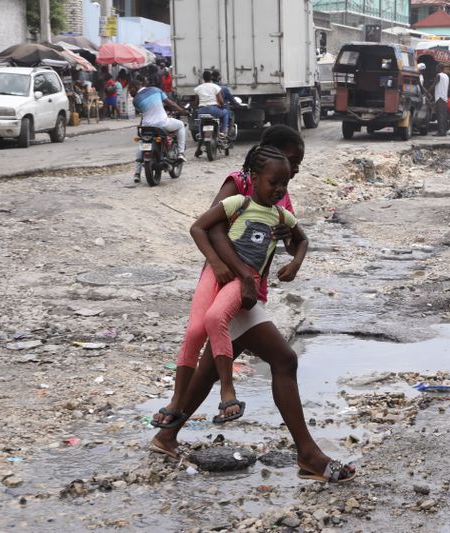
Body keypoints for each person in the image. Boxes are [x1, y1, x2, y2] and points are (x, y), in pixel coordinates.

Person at [151, 125, 357, 483]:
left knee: (213, 367)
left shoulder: (279, 194)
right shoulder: (239, 184)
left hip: (251, 290)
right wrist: (242, 276)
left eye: (296, 166)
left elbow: (293, 239)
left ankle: (167, 434)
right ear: (268, 158)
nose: (293, 172)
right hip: (231, 286)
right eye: (291, 162)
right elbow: (212, 229)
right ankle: (309, 454)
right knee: (284, 359)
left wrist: (291, 250)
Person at [174, 145, 308, 424]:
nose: (283, 186)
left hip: (248, 286)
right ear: (256, 176)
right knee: (201, 332)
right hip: (232, 279)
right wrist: (219, 264)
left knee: (220, 348)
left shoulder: (281, 211)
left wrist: (293, 261)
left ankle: (214, 401)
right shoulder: (238, 194)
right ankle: (182, 408)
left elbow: (299, 238)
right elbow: (207, 228)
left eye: (288, 180)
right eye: (278, 180)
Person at [128, 78, 188, 183]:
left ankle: (137, 173)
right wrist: (182, 111)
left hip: (146, 127)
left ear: (135, 87)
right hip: (162, 124)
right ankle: (181, 153)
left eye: (130, 90)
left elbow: (146, 111)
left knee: (142, 142)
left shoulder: (135, 101)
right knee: (181, 125)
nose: (130, 93)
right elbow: (171, 104)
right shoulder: (156, 90)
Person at [194, 70, 229, 144]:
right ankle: (222, 132)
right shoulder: (216, 87)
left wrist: (197, 108)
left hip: (202, 110)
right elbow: (221, 101)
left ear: (203, 78)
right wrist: (222, 106)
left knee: (201, 120)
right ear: (211, 77)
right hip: (214, 110)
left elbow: (196, 102)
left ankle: (201, 133)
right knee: (226, 113)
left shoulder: (198, 88)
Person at [431, 64, 448, 136]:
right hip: (444, 97)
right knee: (443, 115)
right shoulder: (446, 76)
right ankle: (443, 131)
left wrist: (426, 92)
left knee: (439, 115)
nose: (436, 69)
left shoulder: (439, 75)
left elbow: (434, 85)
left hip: (439, 97)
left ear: (440, 68)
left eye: (436, 67)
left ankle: (440, 132)